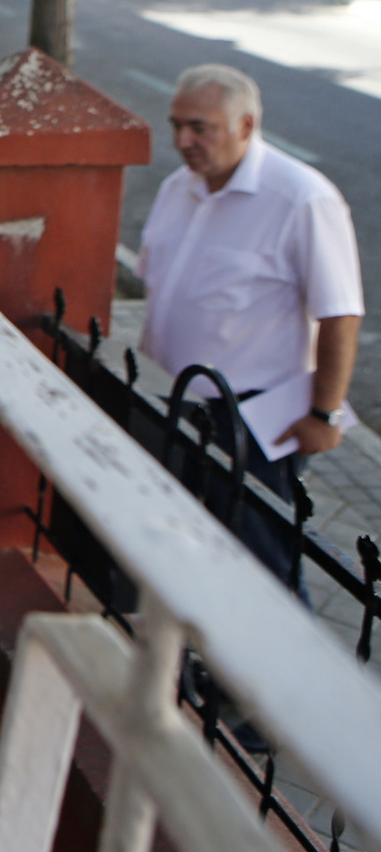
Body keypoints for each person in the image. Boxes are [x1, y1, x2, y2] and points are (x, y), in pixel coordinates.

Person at [139, 64, 363, 588]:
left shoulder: (302, 198)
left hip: (254, 421)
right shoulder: (179, 187)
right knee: (178, 555)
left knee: (261, 571)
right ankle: (194, 667)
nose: (183, 141)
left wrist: (324, 414)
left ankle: (276, 669)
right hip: (173, 404)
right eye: (177, 126)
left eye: (200, 127)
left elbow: (340, 311)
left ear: (246, 125)